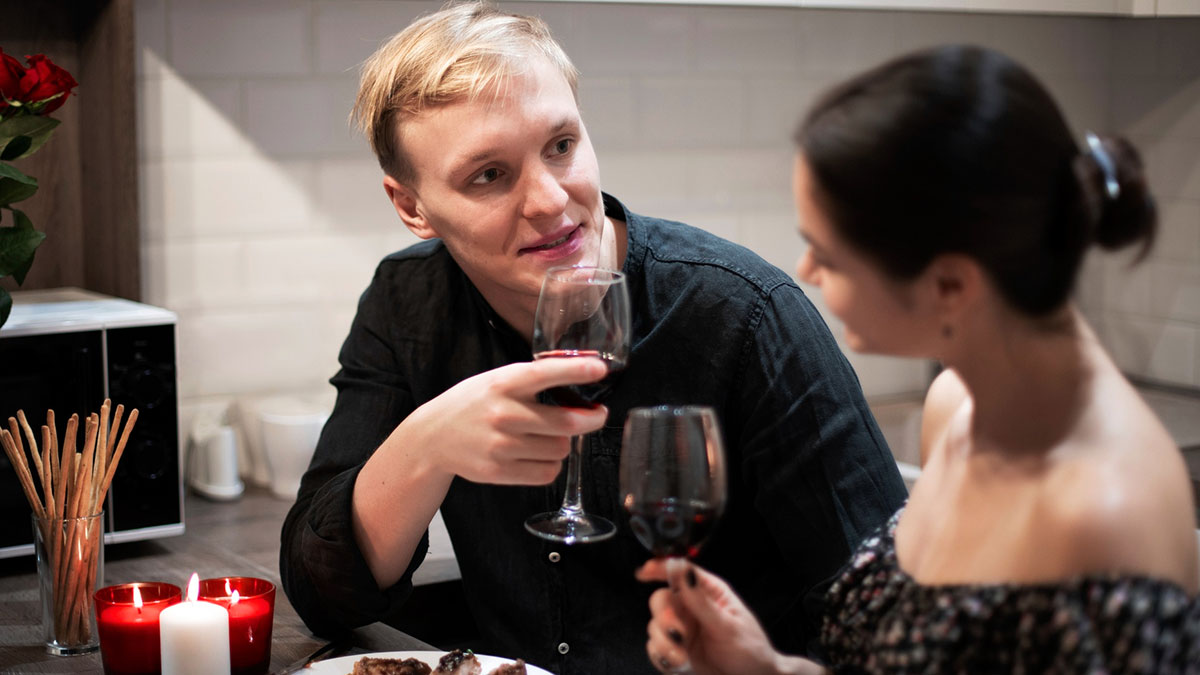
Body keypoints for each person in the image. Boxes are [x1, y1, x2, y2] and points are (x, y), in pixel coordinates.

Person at [278, 3, 907, 673]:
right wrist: (426, 445)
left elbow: (892, 625)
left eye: (561, 145)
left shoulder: (745, 315)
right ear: (412, 206)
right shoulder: (407, 303)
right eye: (489, 175)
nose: (550, 200)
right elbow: (322, 594)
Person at [640, 44, 1200, 674]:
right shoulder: (957, 406)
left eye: (829, 255)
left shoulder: (1103, 519)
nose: (807, 271)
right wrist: (769, 668)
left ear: (950, 285)